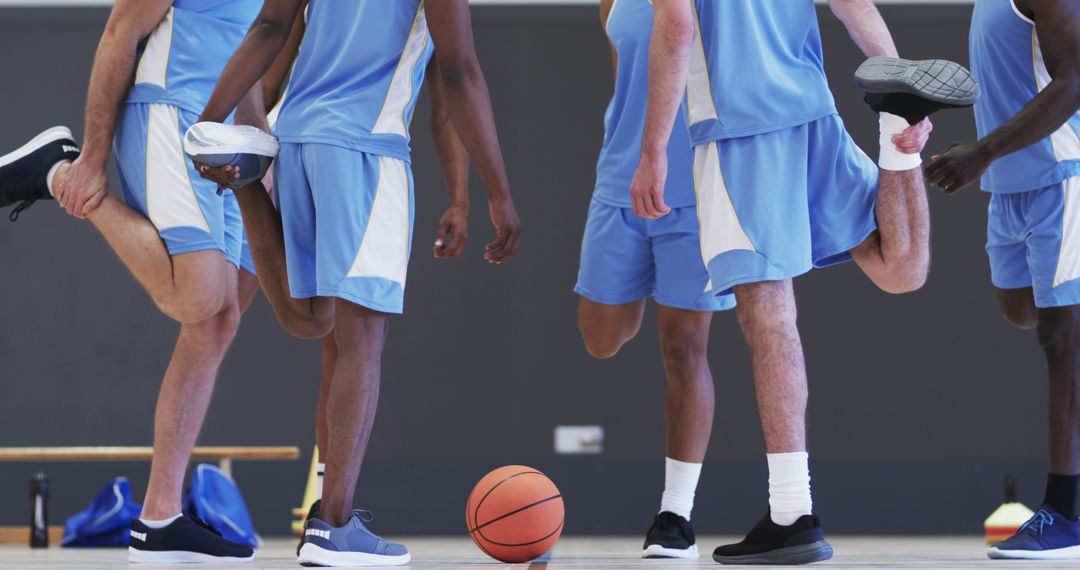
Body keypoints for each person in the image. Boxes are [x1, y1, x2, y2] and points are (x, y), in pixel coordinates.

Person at [634, 0, 977, 564]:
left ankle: (792, 513)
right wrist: (895, 73)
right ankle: (896, 126)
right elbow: (853, 6)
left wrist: (652, 152)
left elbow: (675, 26)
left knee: (767, 319)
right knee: (900, 269)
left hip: (738, 131)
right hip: (812, 113)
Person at [190, 0, 521, 565]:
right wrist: (497, 189)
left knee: (311, 318)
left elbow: (270, 26)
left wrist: (209, 125)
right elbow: (457, 70)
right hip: (367, 148)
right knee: (363, 341)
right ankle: (335, 525)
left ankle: (245, 187)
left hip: (296, 140)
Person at [0, 0, 269, 562]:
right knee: (197, 298)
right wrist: (93, 158)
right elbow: (121, 29)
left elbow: (250, 48)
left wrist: (258, 141)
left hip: (222, 138)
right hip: (170, 112)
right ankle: (57, 168)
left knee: (221, 320)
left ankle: (159, 517)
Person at [574, 0, 735, 559]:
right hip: (620, 183)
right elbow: (629, 78)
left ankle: (675, 515)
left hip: (697, 192)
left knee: (685, 350)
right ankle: (644, 282)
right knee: (600, 338)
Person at [927, 0, 1080, 559]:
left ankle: (1066, 513)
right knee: (1020, 311)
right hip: (1009, 186)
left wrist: (984, 151)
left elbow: (1074, 81)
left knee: (1062, 337)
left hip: (1063, 177)